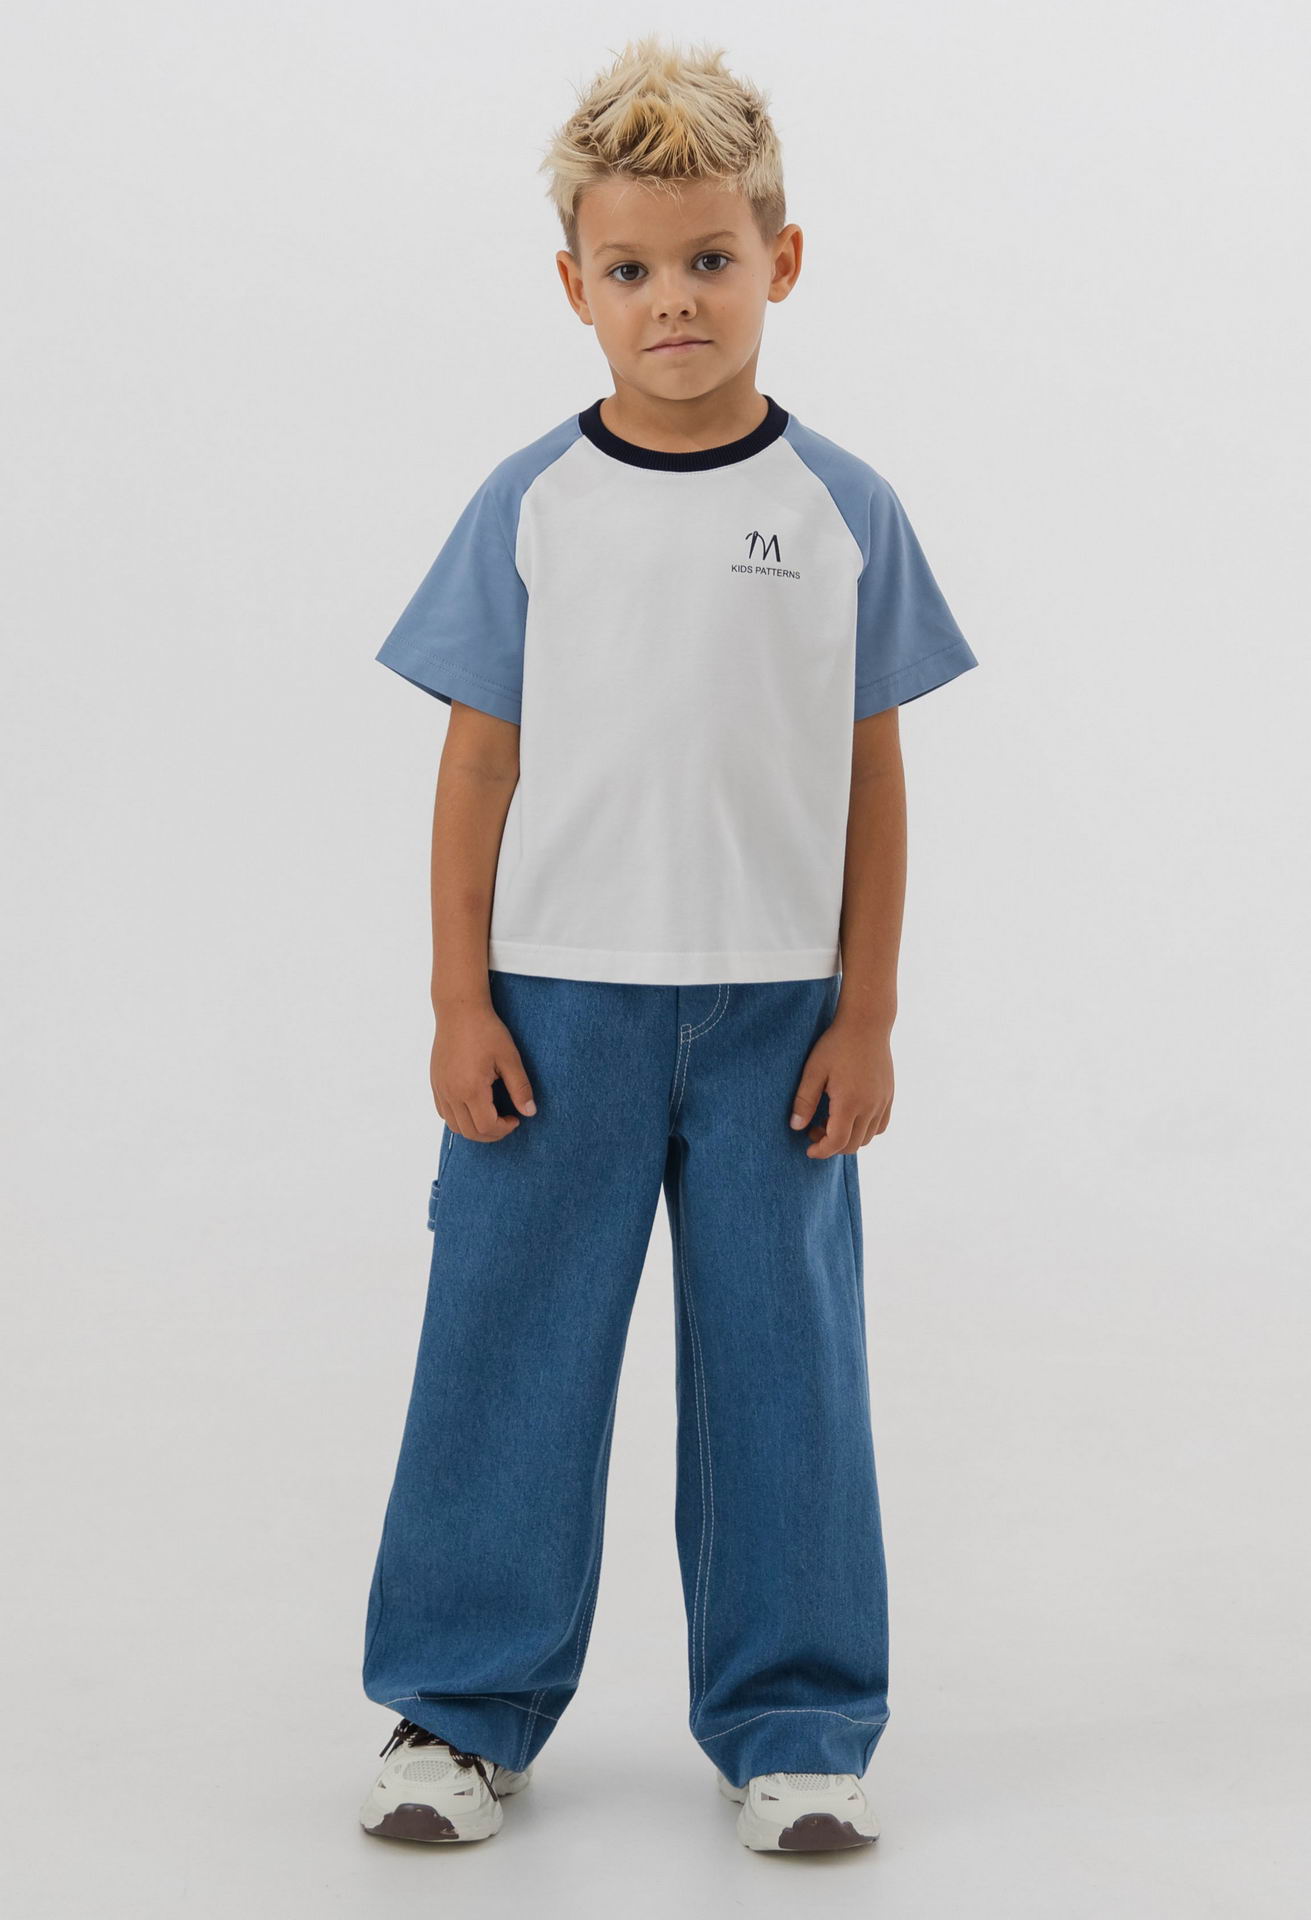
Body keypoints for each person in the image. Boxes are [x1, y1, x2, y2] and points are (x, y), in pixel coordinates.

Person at [358, 34, 978, 1854]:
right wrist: (459, 998)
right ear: (576, 288)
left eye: (710, 259)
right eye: (630, 269)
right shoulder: (531, 504)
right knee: (506, 1355)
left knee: (786, 1370)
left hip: (781, 1015)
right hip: (556, 1013)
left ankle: (797, 1722)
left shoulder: (843, 511)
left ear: (782, 258)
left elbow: (873, 781)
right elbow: (479, 763)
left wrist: (867, 1013)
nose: (675, 300)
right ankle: (457, 1711)